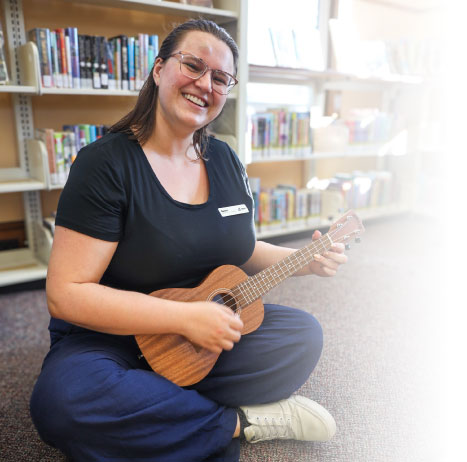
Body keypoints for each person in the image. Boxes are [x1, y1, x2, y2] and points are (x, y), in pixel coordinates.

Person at [29, 19, 347, 462]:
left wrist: (303, 260)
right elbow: (67, 295)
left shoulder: (225, 160)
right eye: (193, 66)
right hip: (113, 338)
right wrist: (183, 318)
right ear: (159, 69)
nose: (205, 84)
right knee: (62, 403)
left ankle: (157, 413)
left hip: (200, 338)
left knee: (301, 336)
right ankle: (238, 422)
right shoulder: (104, 165)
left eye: (220, 78)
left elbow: (239, 249)